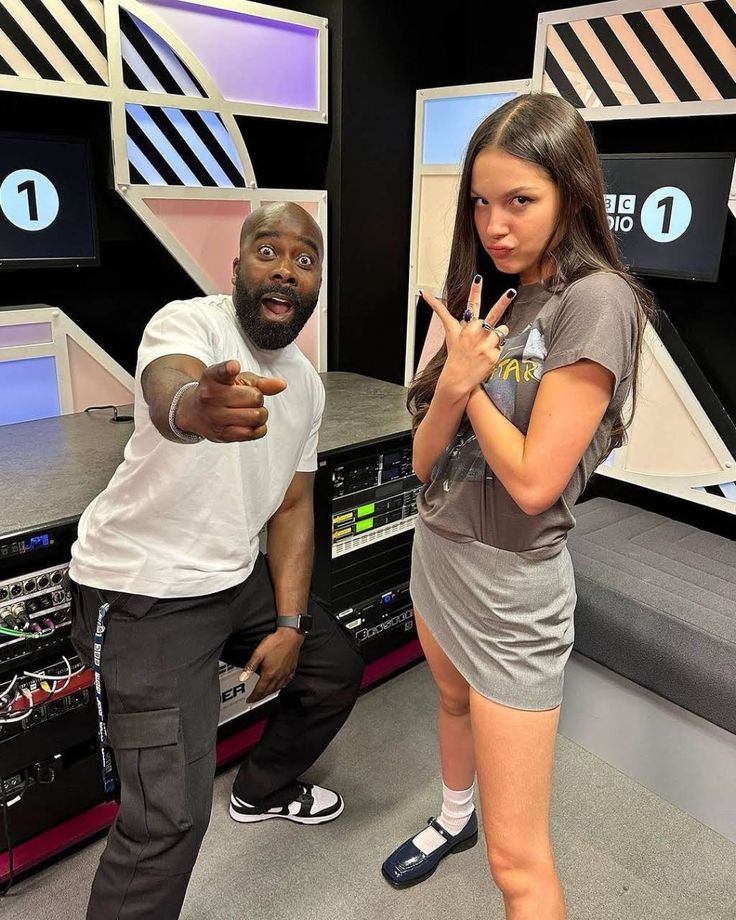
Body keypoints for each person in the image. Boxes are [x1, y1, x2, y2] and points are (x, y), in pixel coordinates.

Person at [382, 93, 654, 920]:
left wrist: (468, 392)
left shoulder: (595, 300)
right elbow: (425, 463)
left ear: (571, 193)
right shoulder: (482, 297)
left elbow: (535, 483)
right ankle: (449, 818)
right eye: (481, 201)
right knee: (450, 701)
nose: (495, 224)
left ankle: (480, 832)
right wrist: (453, 388)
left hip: (511, 588)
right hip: (440, 551)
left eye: (519, 201)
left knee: (520, 862)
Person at [68, 202, 364, 920]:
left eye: (305, 259)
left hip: (232, 580)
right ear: (236, 268)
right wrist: (196, 409)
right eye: (269, 252)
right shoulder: (189, 325)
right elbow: (168, 385)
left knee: (334, 669)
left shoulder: (307, 385)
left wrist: (291, 624)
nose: (287, 269)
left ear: (316, 283)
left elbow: (293, 508)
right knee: (166, 822)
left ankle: (261, 789)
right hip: (142, 589)